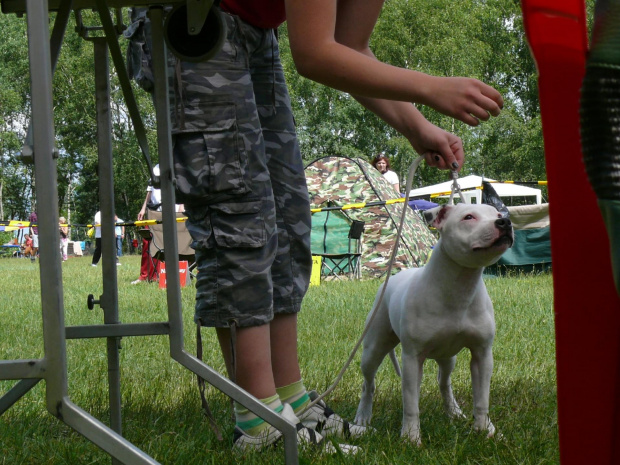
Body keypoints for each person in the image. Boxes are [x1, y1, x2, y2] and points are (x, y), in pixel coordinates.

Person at [150, 0, 503, 452]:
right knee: (242, 220)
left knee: (288, 217)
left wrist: (415, 126)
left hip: (257, 39)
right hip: (201, 27)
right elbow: (315, 53)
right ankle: (259, 423)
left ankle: (293, 402)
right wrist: (432, 88)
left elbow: (350, 47)